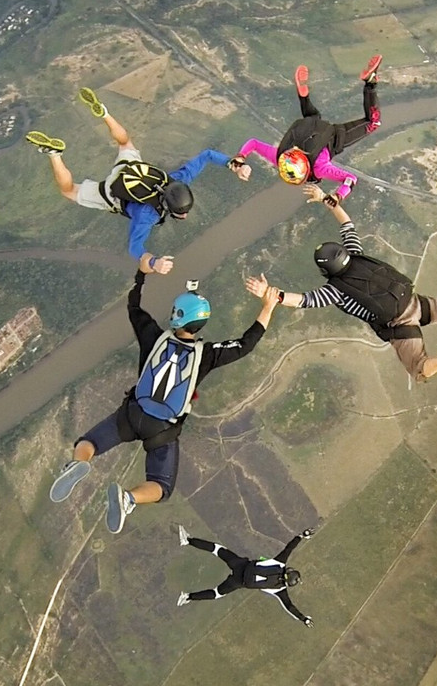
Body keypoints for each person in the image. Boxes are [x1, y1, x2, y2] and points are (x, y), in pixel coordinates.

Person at [48, 257, 282, 534]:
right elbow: (246, 344)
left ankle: (78, 463)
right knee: (161, 485)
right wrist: (268, 306)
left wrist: (142, 273)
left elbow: (134, 306)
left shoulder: (152, 336)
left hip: (132, 413)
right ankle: (129, 498)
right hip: (163, 429)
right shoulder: (207, 355)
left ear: (177, 316)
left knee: (88, 442)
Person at [247, 186, 437, 383]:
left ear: (325, 271)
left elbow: (304, 300)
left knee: (420, 370)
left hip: (398, 325)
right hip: (415, 302)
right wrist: (325, 199)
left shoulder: (335, 290)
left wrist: (271, 295)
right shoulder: (356, 254)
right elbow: (348, 225)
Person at [26, 87, 241, 274]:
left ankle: (104, 113)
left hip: (130, 169)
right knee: (69, 191)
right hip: (112, 192)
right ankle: (53, 154)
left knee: (125, 143)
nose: (184, 215)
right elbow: (134, 247)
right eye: (180, 213)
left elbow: (207, 155)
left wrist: (233, 163)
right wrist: (154, 262)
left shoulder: (177, 178)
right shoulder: (147, 215)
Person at [227, 56, 383, 205]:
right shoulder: (280, 158)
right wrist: (240, 157)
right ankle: (304, 97)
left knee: (373, 122)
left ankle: (370, 83)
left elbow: (350, 179)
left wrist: (338, 196)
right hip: (309, 127)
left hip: (334, 137)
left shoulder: (319, 169)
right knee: (313, 118)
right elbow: (253, 143)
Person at [176, 525, 316, 627]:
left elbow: (289, 548)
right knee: (217, 593)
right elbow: (289, 607)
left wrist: (302, 535)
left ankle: (187, 540)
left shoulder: (280, 564)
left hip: (241, 565)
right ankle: (188, 597)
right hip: (238, 582)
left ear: (288, 572)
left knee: (217, 549)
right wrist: (303, 619)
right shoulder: (279, 590)